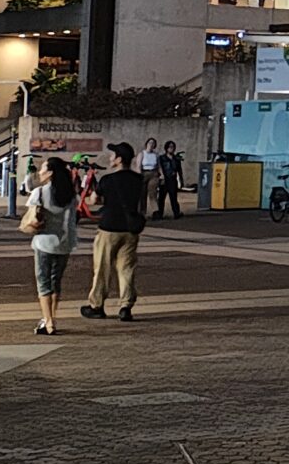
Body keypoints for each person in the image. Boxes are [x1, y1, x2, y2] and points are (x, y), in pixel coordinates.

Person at [81, 140, 147, 320]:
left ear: (118, 159)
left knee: (103, 268)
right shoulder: (138, 180)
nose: (110, 158)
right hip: (130, 229)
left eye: (113, 155)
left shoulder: (107, 180)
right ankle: (126, 306)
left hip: (109, 227)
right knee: (126, 269)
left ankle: (97, 305)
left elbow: (94, 200)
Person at [25, 157, 78, 335]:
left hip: (44, 242)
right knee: (56, 282)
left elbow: (31, 218)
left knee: (43, 282)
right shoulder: (71, 195)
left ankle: (48, 322)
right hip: (65, 243)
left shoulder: (39, 192)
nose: (40, 172)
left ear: (50, 173)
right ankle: (52, 318)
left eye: (43, 169)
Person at [155, 138, 184, 219]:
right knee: (161, 198)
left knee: (173, 197)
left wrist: (181, 180)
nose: (171, 148)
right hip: (164, 179)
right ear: (166, 148)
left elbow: (179, 170)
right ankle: (160, 214)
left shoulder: (176, 159)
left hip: (172, 179)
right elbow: (159, 168)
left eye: (172, 147)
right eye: (170, 147)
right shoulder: (162, 158)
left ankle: (176, 213)